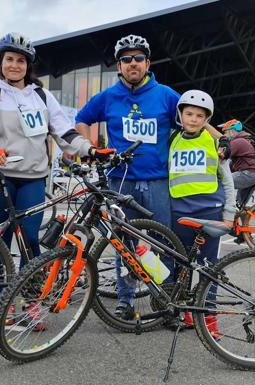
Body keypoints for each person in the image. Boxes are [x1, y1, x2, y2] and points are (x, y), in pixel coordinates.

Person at [0, 33, 112, 329]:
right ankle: (4, 304)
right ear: (1, 62)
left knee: (30, 241)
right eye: (10, 59)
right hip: (0, 178)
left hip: (32, 179)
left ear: (28, 65)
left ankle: (29, 303)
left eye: (21, 61)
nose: (15, 65)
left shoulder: (41, 96)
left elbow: (64, 132)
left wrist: (90, 149)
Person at [74, 34, 180, 321]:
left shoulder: (167, 95)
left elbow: (196, 120)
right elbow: (81, 119)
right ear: (119, 66)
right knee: (124, 244)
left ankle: (165, 298)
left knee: (162, 242)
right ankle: (126, 300)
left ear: (148, 63)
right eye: (126, 59)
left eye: (138, 58)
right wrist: (90, 149)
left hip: (158, 181)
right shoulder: (108, 97)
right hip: (121, 180)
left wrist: (225, 141)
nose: (133, 63)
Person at [168, 90, 236, 337]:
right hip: (179, 213)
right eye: (189, 114)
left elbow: (227, 181)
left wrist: (230, 213)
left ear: (206, 119)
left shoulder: (215, 143)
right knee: (181, 266)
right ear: (181, 114)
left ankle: (209, 319)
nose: (194, 119)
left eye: (200, 116)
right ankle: (186, 312)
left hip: (210, 212)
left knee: (209, 268)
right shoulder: (172, 140)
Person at [220, 119, 255, 206]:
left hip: (249, 174)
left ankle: (219, 206)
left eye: (225, 132)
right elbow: (231, 166)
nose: (224, 136)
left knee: (219, 182)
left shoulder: (237, 142)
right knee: (239, 205)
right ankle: (240, 217)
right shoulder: (246, 141)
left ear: (231, 131)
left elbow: (221, 156)